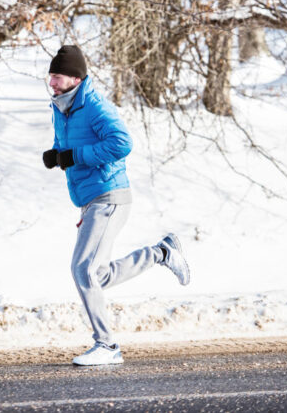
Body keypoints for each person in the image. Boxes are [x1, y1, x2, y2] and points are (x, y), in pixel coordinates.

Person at [42, 45, 191, 366]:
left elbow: (122, 143)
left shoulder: (94, 106)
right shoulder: (62, 106)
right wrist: (56, 154)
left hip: (109, 197)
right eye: (50, 76)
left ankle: (107, 345)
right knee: (99, 275)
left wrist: (74, 157)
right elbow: (69, 143)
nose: (51, 83)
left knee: (82, 268)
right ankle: (162, 252)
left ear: (75, 78)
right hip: (90, 199)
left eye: (57, 77)